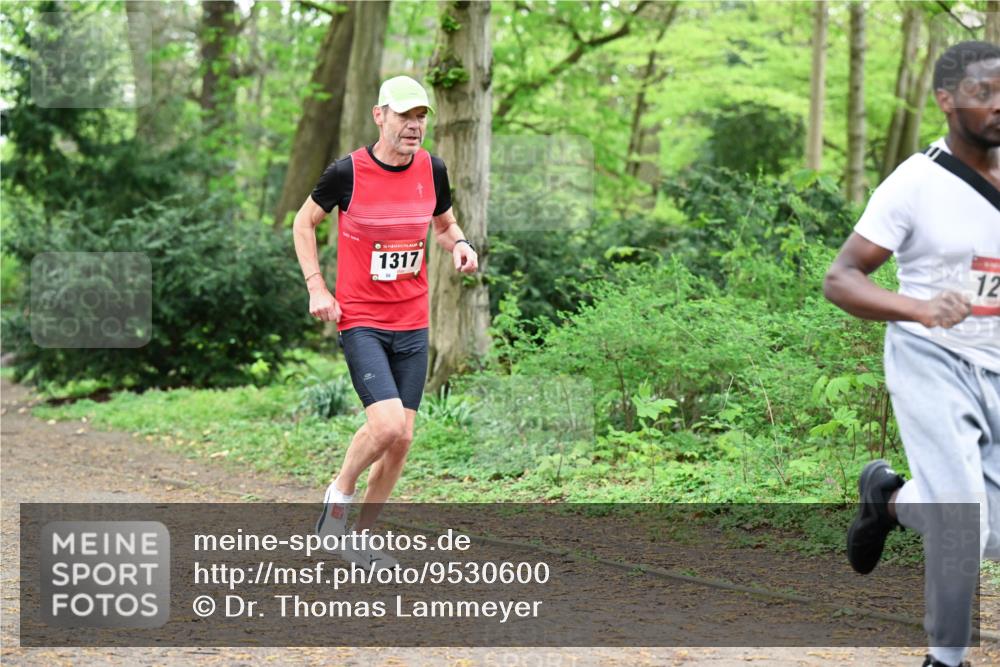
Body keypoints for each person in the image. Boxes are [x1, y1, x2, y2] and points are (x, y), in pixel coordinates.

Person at [824, 41, 1000, 667]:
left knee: (989, 531)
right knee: (963, 522)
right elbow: (841, 277)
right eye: (983, 92)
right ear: (946, 100)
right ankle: (945, 659)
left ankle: (889, 500)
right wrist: (920, 308)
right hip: (932, 358)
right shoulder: (916, 182)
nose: (998, 105)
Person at [292, 75, 478, 571]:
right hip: (362, 320)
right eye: (404, 115)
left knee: (403, 439)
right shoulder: (346, 173)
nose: (414, 125)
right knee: (388, 424)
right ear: (380, 116)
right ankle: (339, 495)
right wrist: (316, 286)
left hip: (412, 321)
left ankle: (361, 537)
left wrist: (460, 245)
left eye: (421, 117)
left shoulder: (432, 170)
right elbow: (303, 222)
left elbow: (444, 225)